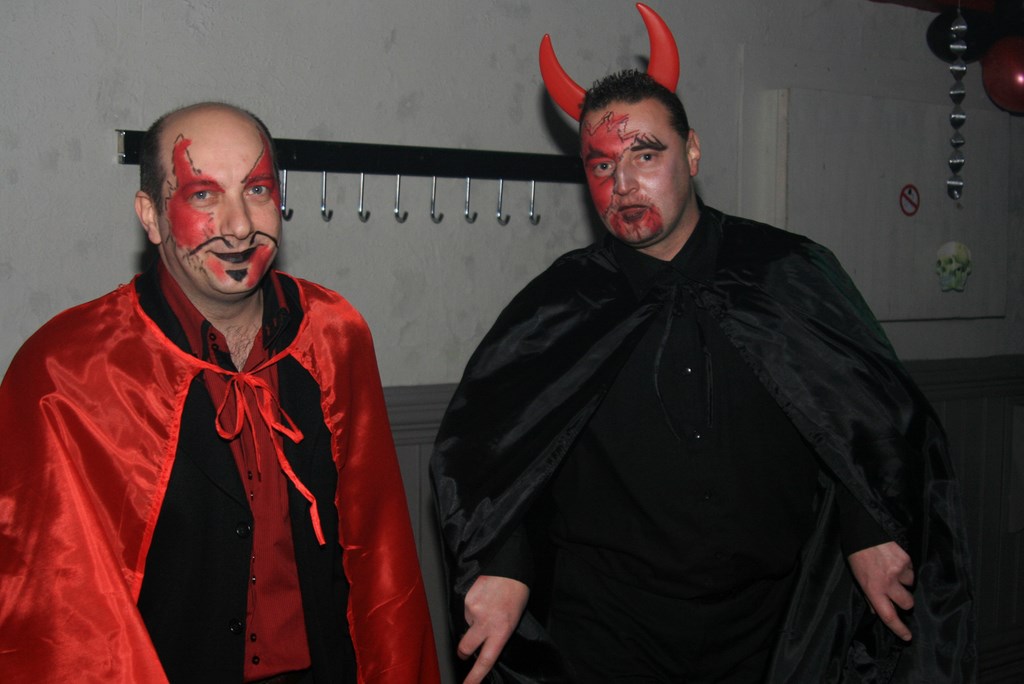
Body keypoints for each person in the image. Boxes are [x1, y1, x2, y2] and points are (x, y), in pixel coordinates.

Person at [430, 6, 974, 683]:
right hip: (607, 628)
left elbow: (869, 416)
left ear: (691, 152)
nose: (623, 184)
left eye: (645, 154)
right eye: (602, 164)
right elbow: (489, 453)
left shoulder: (788, 273)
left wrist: (869, 527)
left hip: (770, 628)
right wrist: (506, 566)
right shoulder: (561, 304)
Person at [0, 102, 440, 684]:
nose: (238, 226)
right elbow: (60, 620)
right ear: (152, 216)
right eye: (203, 195)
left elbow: (379, 552)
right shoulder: (67, 370)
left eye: (256, 190)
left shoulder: (334, 334)